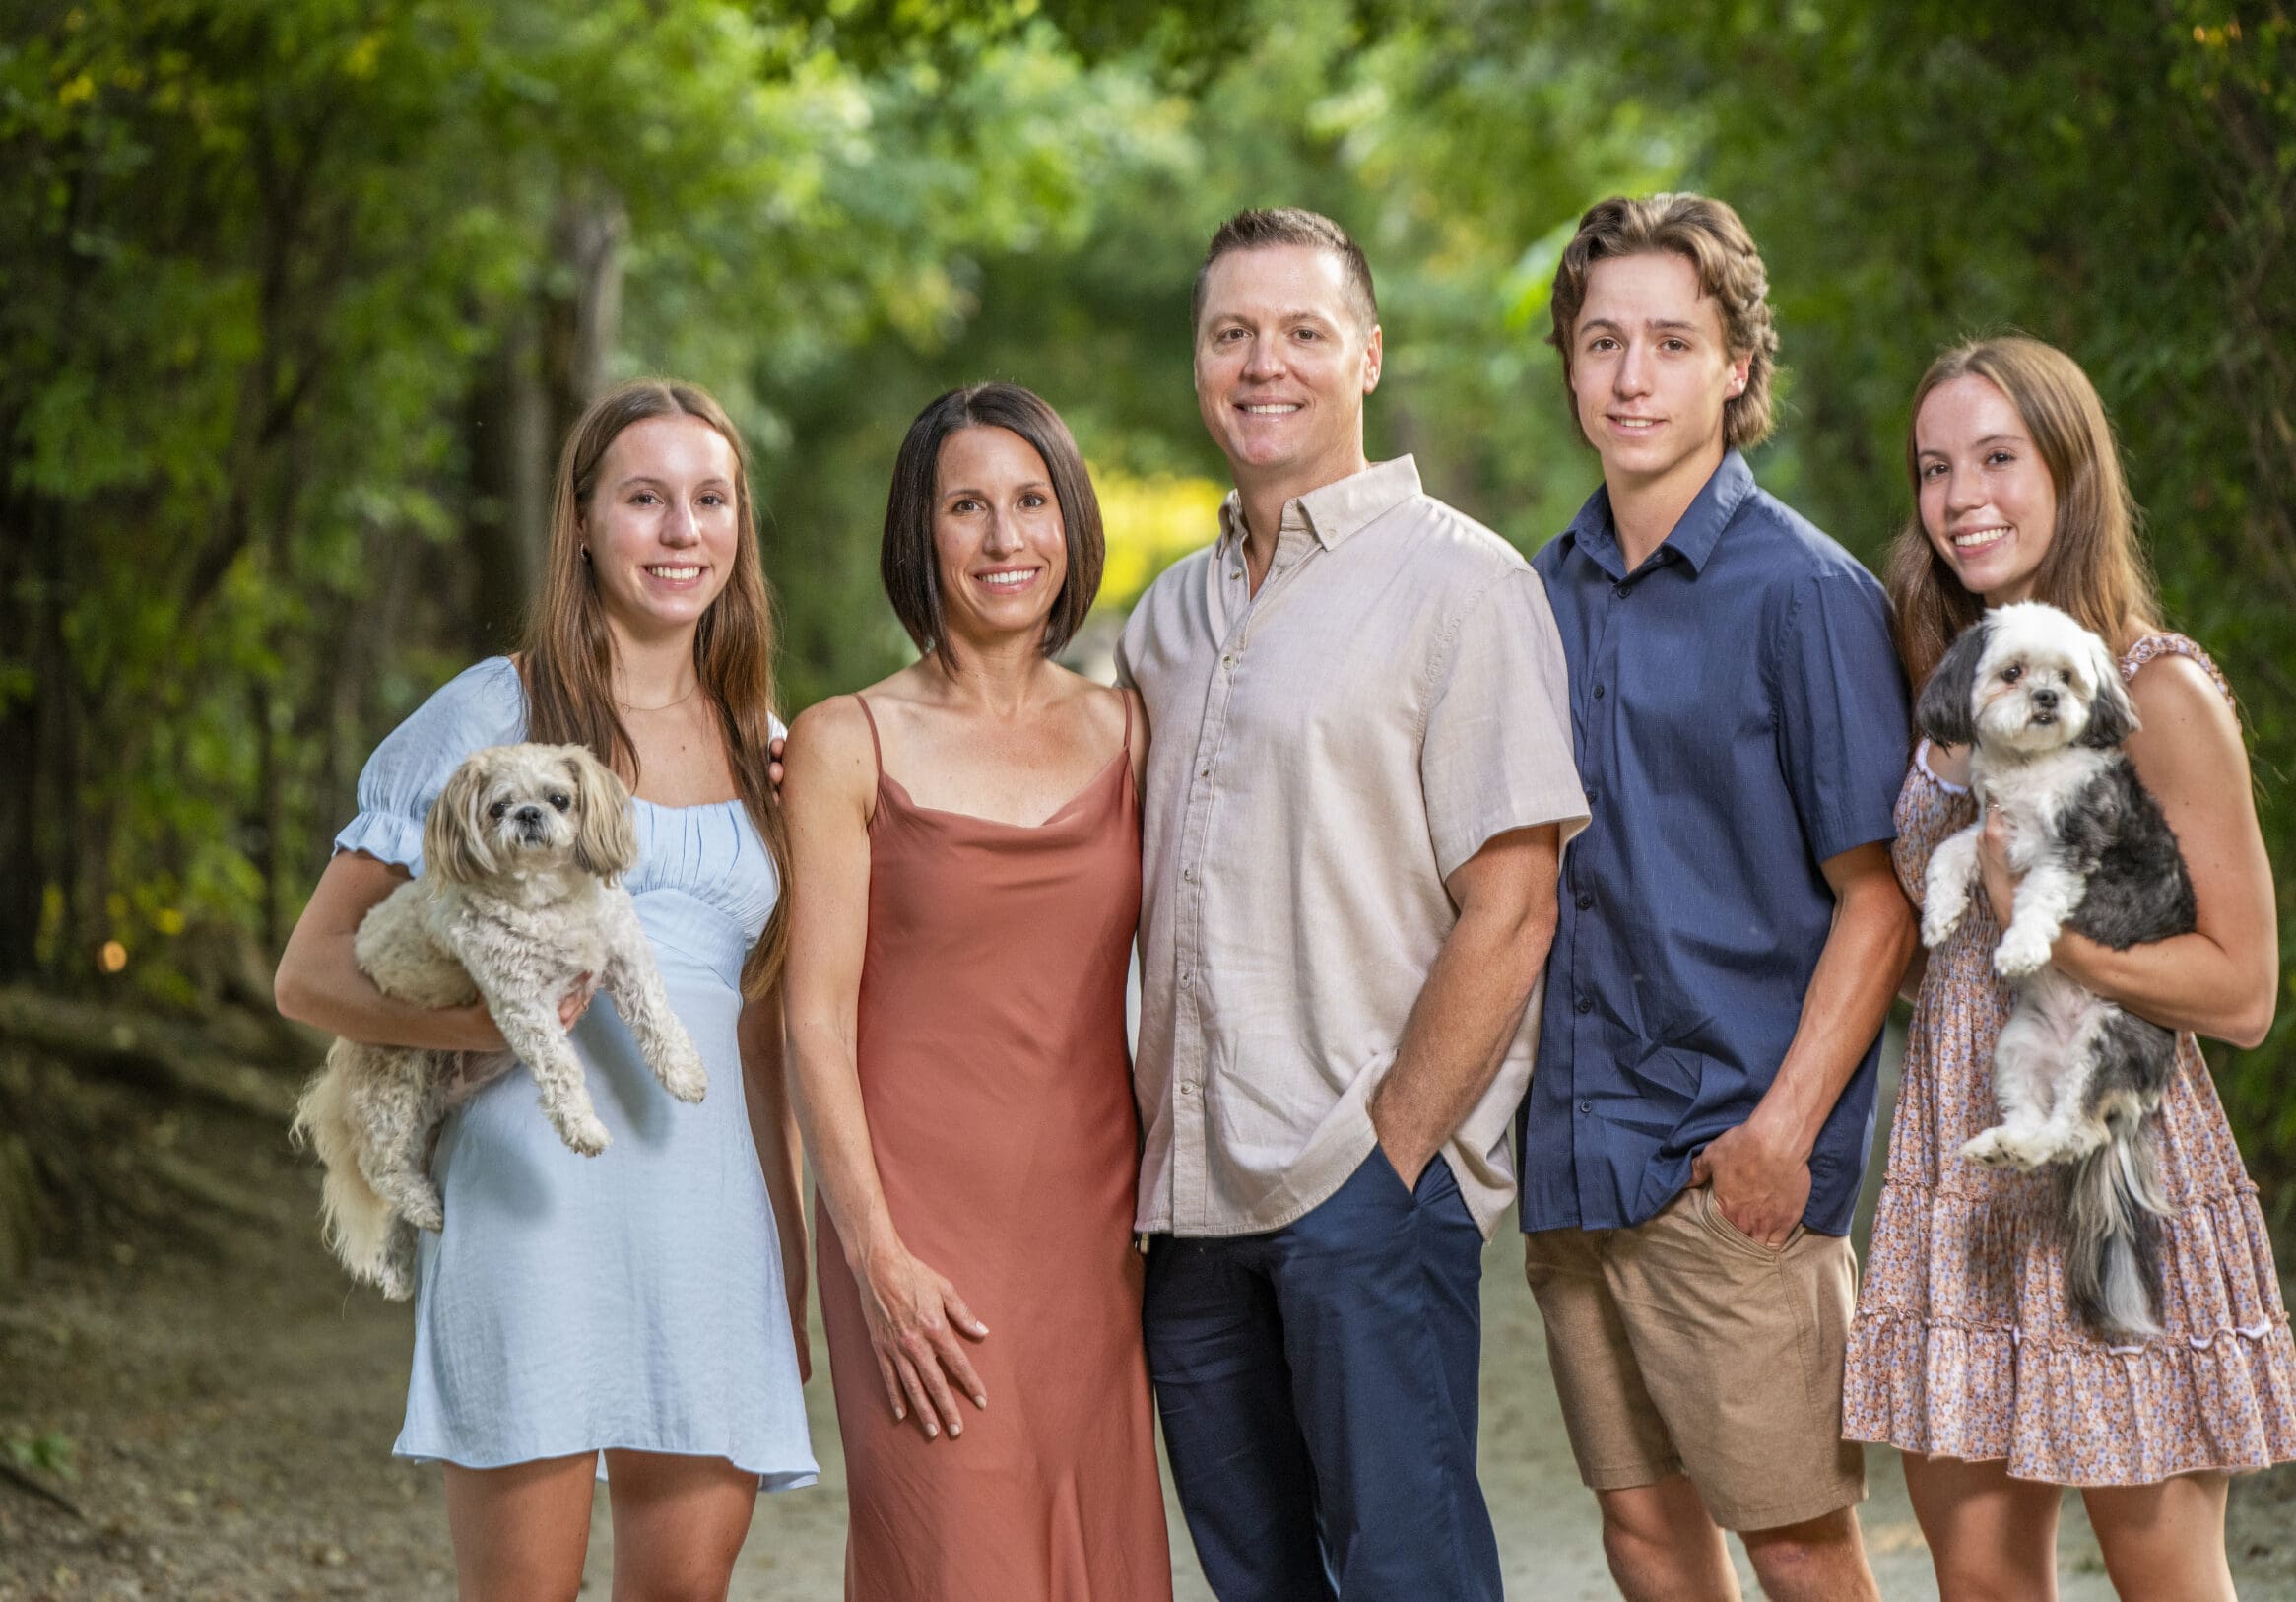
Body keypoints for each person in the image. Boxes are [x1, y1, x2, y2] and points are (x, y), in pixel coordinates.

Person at [274, 378, 818, 1601]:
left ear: (738, 528)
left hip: (712, 1217)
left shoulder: (764, 744)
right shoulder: (494, 709)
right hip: (533, 1209)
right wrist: (486, 1027)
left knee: (685, 1590)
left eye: (709, 499)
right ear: (582, 523)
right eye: (645, 498)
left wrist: (787, 1254)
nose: (682, 530)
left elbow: (763, 1034)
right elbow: (308, 973)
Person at [1120, 207, 1591, 1602]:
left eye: (1303, 332)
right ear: (1200, 362)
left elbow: (1514, 903)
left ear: (1367, 355)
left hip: (1360, 1188)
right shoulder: (1162, 620)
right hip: (1190, 1205)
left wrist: (1390, 1159)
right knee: (1260, 1583)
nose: (1266, 363)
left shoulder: (1466, 583)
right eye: (1232, 334)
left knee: (1412, 1580)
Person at [1842, 335, 2296, 1600]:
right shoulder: (1945, 681)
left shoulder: (2155, 688)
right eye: (1936, 467)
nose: (1962, 496)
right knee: (1982, 1583)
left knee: (2164, 1580)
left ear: (2070, 470)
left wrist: (2052, 926)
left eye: (1998, 458)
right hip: (1962, 1176)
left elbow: (2244, 991)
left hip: (2114, 1159)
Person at [1519, 193, 1913, 1602]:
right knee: (1642, 1535)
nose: (1634, 377)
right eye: (1605, 340)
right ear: (1568, 362)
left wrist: (1781, 1137)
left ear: (1737, 364)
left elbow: (1880, 899)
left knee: (1800, 1541)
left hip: (1726, 1162)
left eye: (1673, 342)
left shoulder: (1805, 593)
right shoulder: (1534, 596)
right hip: (1577, 1155)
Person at [779, 382, 1171, 1600]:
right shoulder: (848, 738)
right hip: (913, 1230)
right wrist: (873, 1254)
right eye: (966, 506)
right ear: (919, 532)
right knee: (954, 1557)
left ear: (1070, 525)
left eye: (1030, 501)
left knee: (1093, 1551)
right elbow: (813, 1017)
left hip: (1094, 1231)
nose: (1004, 539)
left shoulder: (1134, 729)